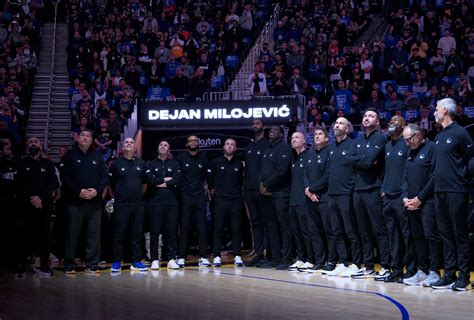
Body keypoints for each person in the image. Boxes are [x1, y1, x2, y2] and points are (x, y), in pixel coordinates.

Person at [431, 98, 472, 291]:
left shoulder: (460, 133)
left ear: (445, 110)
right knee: (445, 234)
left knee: (459, 234)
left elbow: (471, 160)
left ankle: (463, 276)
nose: (434, 112)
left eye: (436, 109)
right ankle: (449, 274)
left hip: (456, 190)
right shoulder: (439, 135)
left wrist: (465, 181)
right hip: (439, 191)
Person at [344, 108, 390, 279]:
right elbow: (346, 160)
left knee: (378, 229)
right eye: (365, 115)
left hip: (373, 188)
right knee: (363, 230)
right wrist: (361, 158)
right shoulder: (357, 139)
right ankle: (368, 265)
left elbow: (369, 162)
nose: (366, 118)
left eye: (371, 116)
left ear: (377, 122)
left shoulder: (379, 137)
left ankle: (385, 265)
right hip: (358, 189)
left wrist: (360, 159)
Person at [60, 129, 108, 273]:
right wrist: (78, 191)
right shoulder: (70, 155)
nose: (85, 137)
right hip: (75, 201)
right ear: (78, 138)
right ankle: (69, 263)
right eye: (83, 135)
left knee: (94, 235)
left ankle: (92, 263)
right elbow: (64, 177)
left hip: (94, 202)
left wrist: (96, 191)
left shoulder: (98, 156)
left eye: (88, 136)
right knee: (72, 234)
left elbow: (104, 177)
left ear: (92, 140)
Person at [401, 124, 441, 287]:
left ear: (418, 135)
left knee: (431, 236)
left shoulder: (432, 148)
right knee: (418, 237)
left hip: (427, 201)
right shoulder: (411, 151)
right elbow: (405, 177)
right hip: (410, 203)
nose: (407, 143)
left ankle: (435, 271)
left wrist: (420, 198)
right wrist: (405, 197)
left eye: (408, 139)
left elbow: (434, 176)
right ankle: (422, 270)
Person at [15, 137, 59, 277]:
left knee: (45, 236)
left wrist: (41, 198)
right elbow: (19, 184)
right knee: (24, 236)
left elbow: (53, 183)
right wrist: (31, 198)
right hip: (26, 206)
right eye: (30, 142)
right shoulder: (21, 163)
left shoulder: (48, 163)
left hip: (44, 206)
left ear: (41, 146)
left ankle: (45, 266)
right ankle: (21, 266)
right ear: (27, 146)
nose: (33, 144)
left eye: (36, 142)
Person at [324, 118, 362, 277]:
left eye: (340, 123)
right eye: (335, 123)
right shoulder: (330, 147)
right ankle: (343, 261)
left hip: (346, 193)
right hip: (331, 193)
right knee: (336, 230)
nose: (336, 125)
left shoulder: (353, 144)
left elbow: (359, 164)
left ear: (348, 129)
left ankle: (356, 263)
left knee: (350, 230)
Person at [381, 116, 415, 282]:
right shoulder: (388, 145)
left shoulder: (407, 143)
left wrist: (405, 193)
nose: (392, 122)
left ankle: (410, 268)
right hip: (388, 196)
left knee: (406, 234)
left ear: (403, 125)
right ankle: (395, 269)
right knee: (392, 235)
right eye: (390, 120)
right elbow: (387, 171)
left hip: (402, 197)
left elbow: (408, 171)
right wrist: (383, 190)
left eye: (396, 121)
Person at [108, 138, 148, 272]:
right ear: (123, 148)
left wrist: (138, 196)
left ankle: (136, 260)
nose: (129, 144)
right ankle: (116, 261)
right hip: (121, 204)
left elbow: (144, 184)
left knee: (137, 234)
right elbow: (111, 183)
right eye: (127, 142)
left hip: (138, 205)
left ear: (135, 148)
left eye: (131, 142)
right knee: (119, 234)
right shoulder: (116, 164)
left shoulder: (141, 163)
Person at [259, 126, 293, 270]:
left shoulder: (284, 148)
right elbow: (261, 171)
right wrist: (261, 185)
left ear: (281, 134)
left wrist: (266, 185)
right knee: (271, 226)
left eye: (275, 130)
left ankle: (287, 258)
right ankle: (275, 257)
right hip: (267, 194)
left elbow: (282, 171)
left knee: (284, 227)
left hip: (281, 193)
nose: (271, 131)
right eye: (270, 130)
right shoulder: (267, 150)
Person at [303, 127, 336, 273]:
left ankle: (331, 260)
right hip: (311, 198)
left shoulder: (330, 152)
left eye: (320, 134)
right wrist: (308, 191)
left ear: (327, 138)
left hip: (325, 197)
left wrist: (313, 189)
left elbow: (328, 175)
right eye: (315, 134)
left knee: (329, 231)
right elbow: (304, 175)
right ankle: (319, 260)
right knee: (314, 231)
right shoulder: (310, 154)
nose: (316, 136)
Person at [208, 138, 244, 267]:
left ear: (235, 148)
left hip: (235, 200)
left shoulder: (239, 164)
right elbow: (210, 182)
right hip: (220, 200)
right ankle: (216, 256)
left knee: (236, 228)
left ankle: (238, 255)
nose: (229, 146)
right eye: (227, 144)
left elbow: (240, 182)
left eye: (232, 145)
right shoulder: (215, 162)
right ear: (224, 147)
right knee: (218, 228)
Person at [146, 140, 181, 270]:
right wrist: (167, 179)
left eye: (166, 145)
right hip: (155, 203)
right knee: (154, 232)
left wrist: (160, 182)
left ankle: (171, 258)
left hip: (172, 202)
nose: (163, 146)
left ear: (169, 149)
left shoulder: (175, 163)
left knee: (171, 231)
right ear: (158, 148)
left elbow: (177, 180)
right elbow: (151, 181)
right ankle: (155, 259)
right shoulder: (150, 164)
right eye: (161, 144)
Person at [177, 135, 211, 267]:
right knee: (184, 227)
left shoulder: (204, 158)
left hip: (200, 198)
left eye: (195, 140)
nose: (193, 142)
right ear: (187, 144)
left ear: (198, 143)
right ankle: (181, 257)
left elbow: (206, 177)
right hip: (185, 198)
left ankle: (203, 256)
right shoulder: (180, 158)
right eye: (190, 141)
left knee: (202, 228)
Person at [243, 119, 271, 266]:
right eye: (253, 123)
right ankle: (257, 251)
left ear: (263, 126)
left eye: (258, 123)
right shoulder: (248, 147)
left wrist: (265, 184)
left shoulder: (267, 145)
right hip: (249, 189)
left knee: (266, 221)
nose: (255, 125)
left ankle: (267, 250)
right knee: (254, 222)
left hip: (262, 189)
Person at [288, 132, 312, 270]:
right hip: (293, 200)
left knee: (305, 231)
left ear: (304, 141)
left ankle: (310, 258)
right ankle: (300, 258)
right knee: (296, 231)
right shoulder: (293, 159)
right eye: (292, 138)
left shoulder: (309, 156)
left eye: (296, 137)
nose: (293, 139)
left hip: (304, 200)